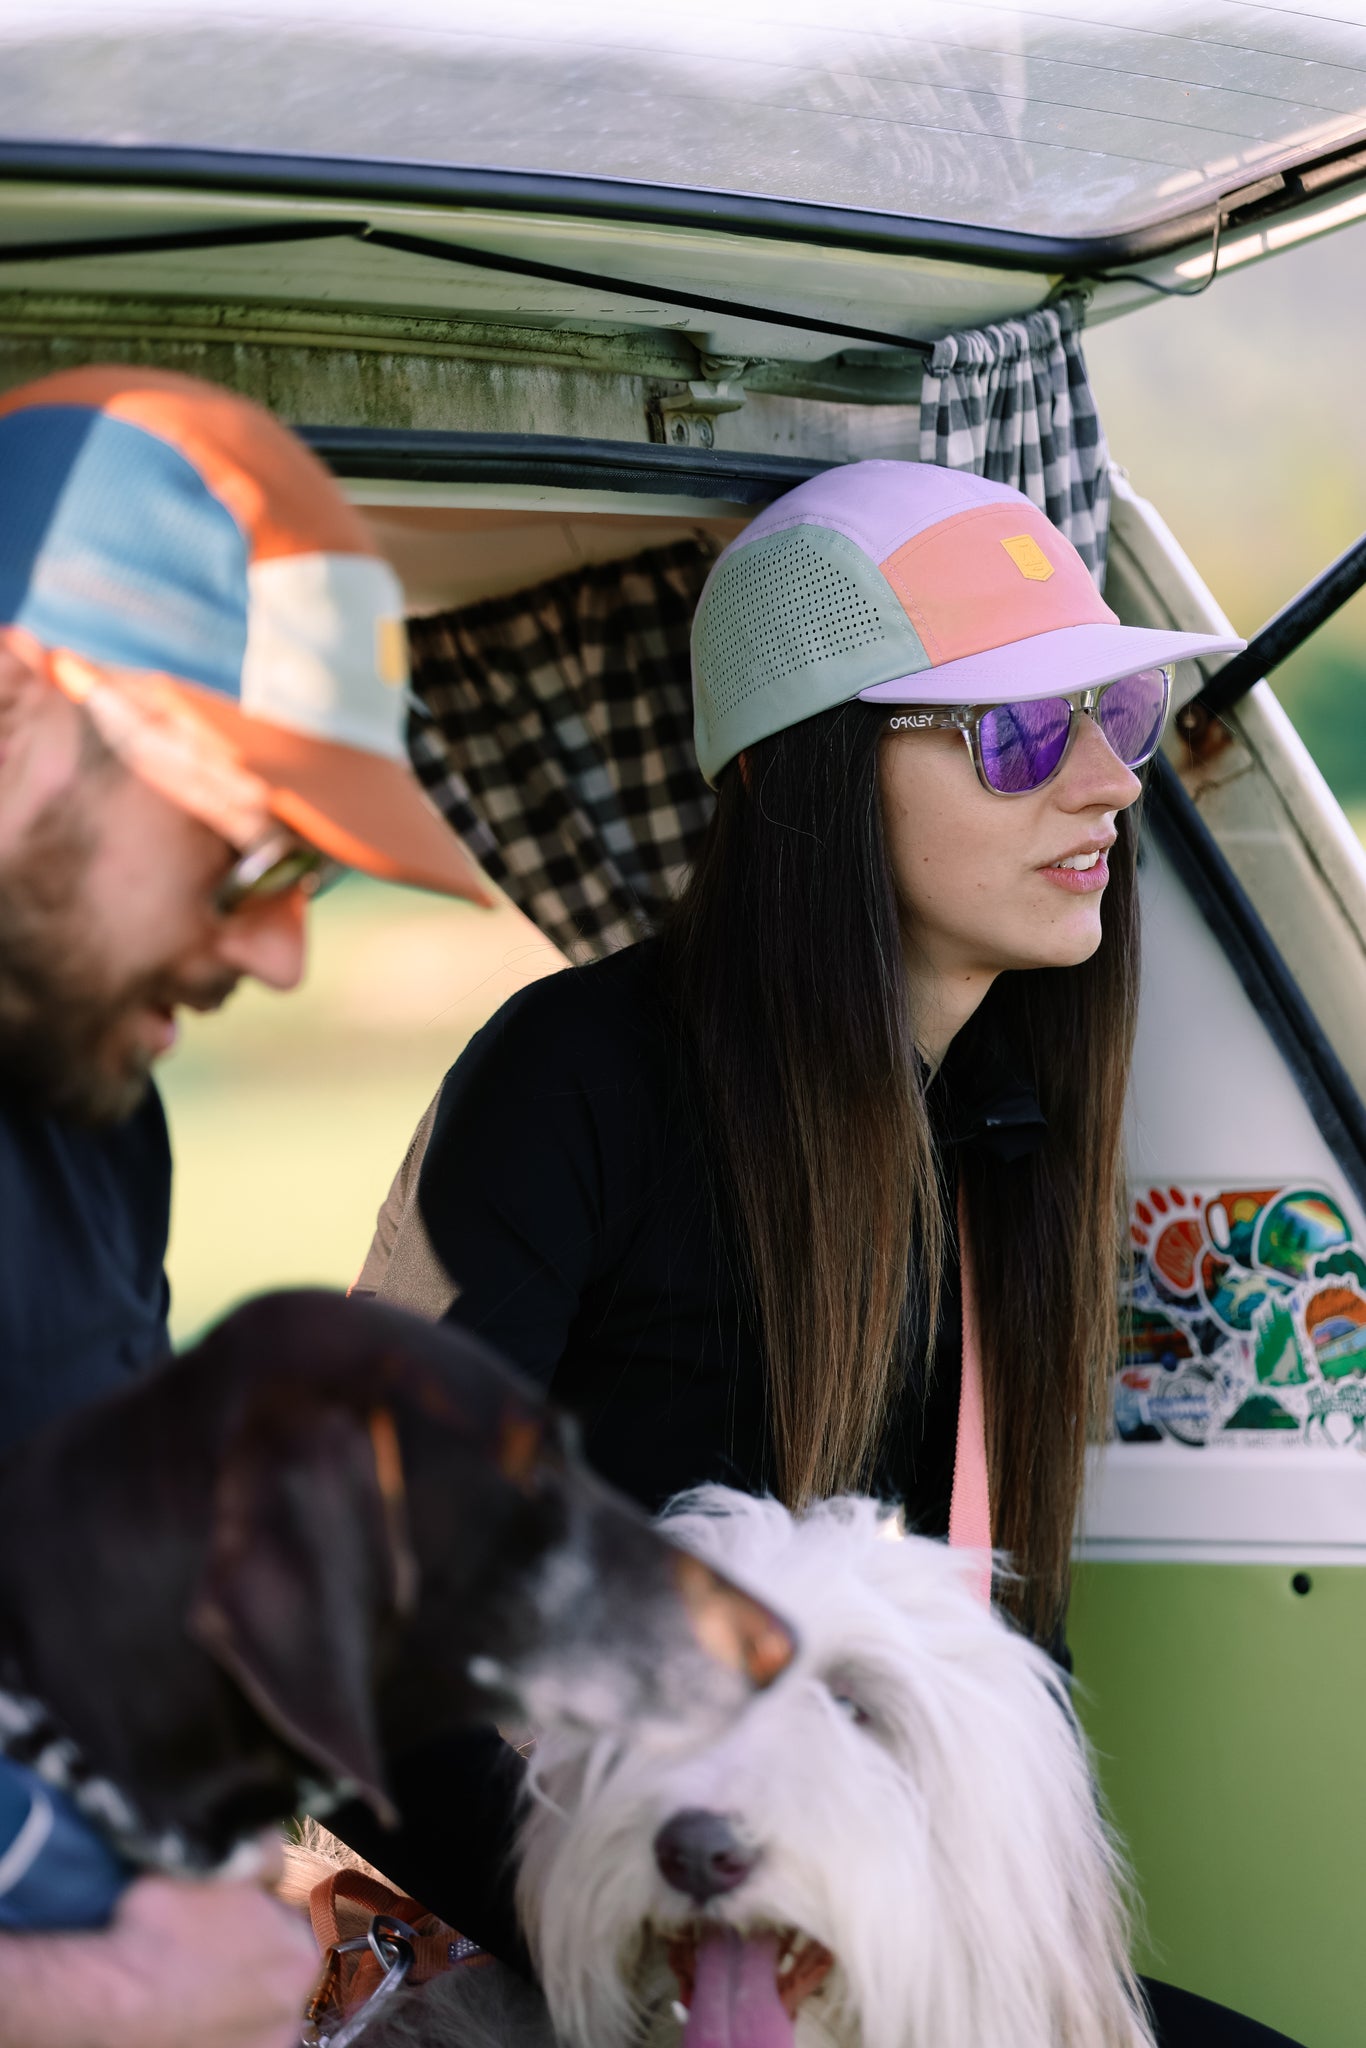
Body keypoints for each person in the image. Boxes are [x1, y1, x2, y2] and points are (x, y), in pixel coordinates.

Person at [350, 462, 1300, 2043]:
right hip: (599, 1933)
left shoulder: (1005, 1126)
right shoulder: (572, 1075)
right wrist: (613, 1932)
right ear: (814, 774)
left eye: (1117, 710)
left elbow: (1002, 1678)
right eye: (1011, 733)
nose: (1108, 780)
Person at [0, 364, 488, 2048]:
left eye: (314, 873)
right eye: (244, 847)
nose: (284, 952)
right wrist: (100, 1992)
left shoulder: (88, 1114)